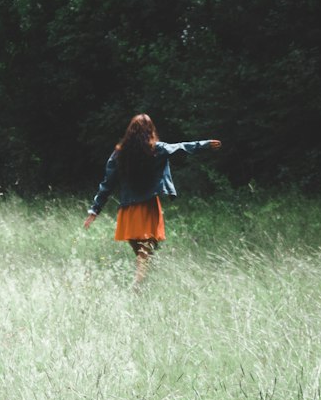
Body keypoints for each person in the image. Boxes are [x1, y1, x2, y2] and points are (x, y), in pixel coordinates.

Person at [83, 114, 221, 283]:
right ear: (150, 130)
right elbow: (179, 147)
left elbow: (107, 184)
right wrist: (205, 144)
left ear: (130, 131)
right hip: (148, 207)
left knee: (142, 255)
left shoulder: (119, 153)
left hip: (128, 210)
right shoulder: (156, 149)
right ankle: (138, 285)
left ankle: (141, 285)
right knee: (146, 253)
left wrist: (94, 211)